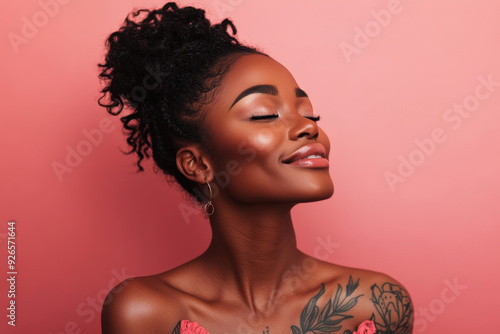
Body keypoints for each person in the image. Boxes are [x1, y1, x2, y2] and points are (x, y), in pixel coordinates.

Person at [98, 2, 414, 334]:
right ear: (198, 164)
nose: (309, 128)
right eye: (264, 114)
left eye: (310, 114)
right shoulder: (144, 312)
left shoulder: (377, 304)